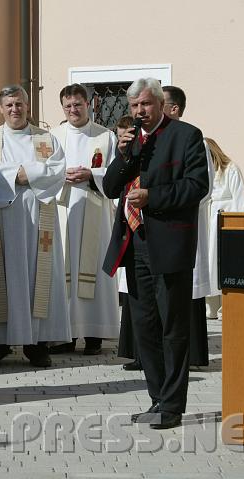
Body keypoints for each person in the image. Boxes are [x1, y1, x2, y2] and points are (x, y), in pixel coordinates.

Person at [102, 78, 209, 429]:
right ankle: (157, 399)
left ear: (161, 104)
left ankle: (173, 406)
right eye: (134, 106)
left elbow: (197, 186)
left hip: (169, 244)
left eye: (145, 104)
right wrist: (123, 155)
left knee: (172, 327)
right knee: (144, 326)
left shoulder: (186, 136)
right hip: (134, 243)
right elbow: (110, 187)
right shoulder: (132, 140)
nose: (139, 112)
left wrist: (153, 197)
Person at [0, 84, 71, 368]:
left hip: (37, 219)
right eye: (9, 105)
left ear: (27, 106)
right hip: (1, 218)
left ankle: (38, 344)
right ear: (0, 109)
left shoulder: (46, 139)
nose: (14, 109)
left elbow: (57, 170)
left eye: (19, 104)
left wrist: (22, 173)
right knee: (1, 275)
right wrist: (16, 175)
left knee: (37, 275)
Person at [49, 84, 119, 356]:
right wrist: (61, 175)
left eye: (78, 104)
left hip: (95, 210)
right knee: (63, 267)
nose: (73, 110)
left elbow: (114, 175)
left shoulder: (106, 136)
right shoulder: (53, 137)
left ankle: (94, 334)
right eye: (67, 106)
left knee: (95, 268)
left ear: (89, 104)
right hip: (63, 210)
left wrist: (92, 175)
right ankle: (64, 335)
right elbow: (44, 171)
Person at [162, 86, 212, 367]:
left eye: (160, 103)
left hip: (184, 224)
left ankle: (190, 354)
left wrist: (167, 200)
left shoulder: (194, 140)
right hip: (159, 226)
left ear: (174, 109)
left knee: (185, 291)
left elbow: (204, 188)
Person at [204, 138, 244, 318]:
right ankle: (210, 306)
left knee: (221, 261)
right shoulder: (203, 171)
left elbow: (239, 198)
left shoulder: (231, 169)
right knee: (208, 263)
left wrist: (235, 225)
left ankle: (225, 306)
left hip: (223, 219)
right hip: (207, 219)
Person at [112, 116, 141, 371]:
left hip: (155, 230)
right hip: (129, 233)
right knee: (135, 298)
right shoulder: (125, 151)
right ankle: (140, 355)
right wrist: (122, 155)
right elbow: (111, 187)